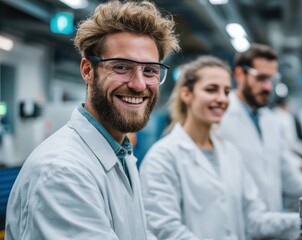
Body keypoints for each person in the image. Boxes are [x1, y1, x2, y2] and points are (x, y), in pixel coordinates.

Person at [6, 1, 179, 239]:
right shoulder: (63, 172)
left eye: (150, 70)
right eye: (121, 67)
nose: (139, 84)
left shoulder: (121, 153)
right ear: (88, 70)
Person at [140, 56, 302, 240]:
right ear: (187, 94)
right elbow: (165, 230)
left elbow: (254, 219)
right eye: (211, 90)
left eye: (226, 91)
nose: (222, 99)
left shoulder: (230, 153)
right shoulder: (163, 157)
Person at [218, 44, 302, 214]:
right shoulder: (220, 119)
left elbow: (286, 171)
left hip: (272, 222)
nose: (268, 87)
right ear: (239, 74)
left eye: (272, 79)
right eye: (260, 78)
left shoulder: (270, 120)